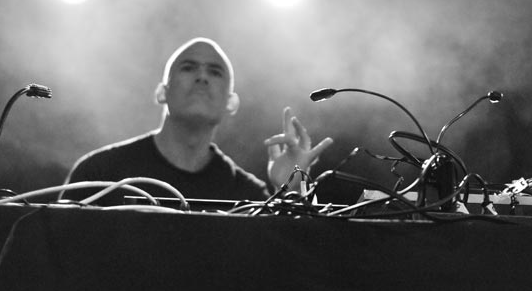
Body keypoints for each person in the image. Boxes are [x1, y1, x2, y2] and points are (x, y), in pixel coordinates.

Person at [60, 37, 333, 206]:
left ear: (231, 103)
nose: (202, 77)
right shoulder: (99, 174)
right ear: (161, 92)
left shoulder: (247, 195)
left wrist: (289, 190)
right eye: (188, 68)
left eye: (215, 72)